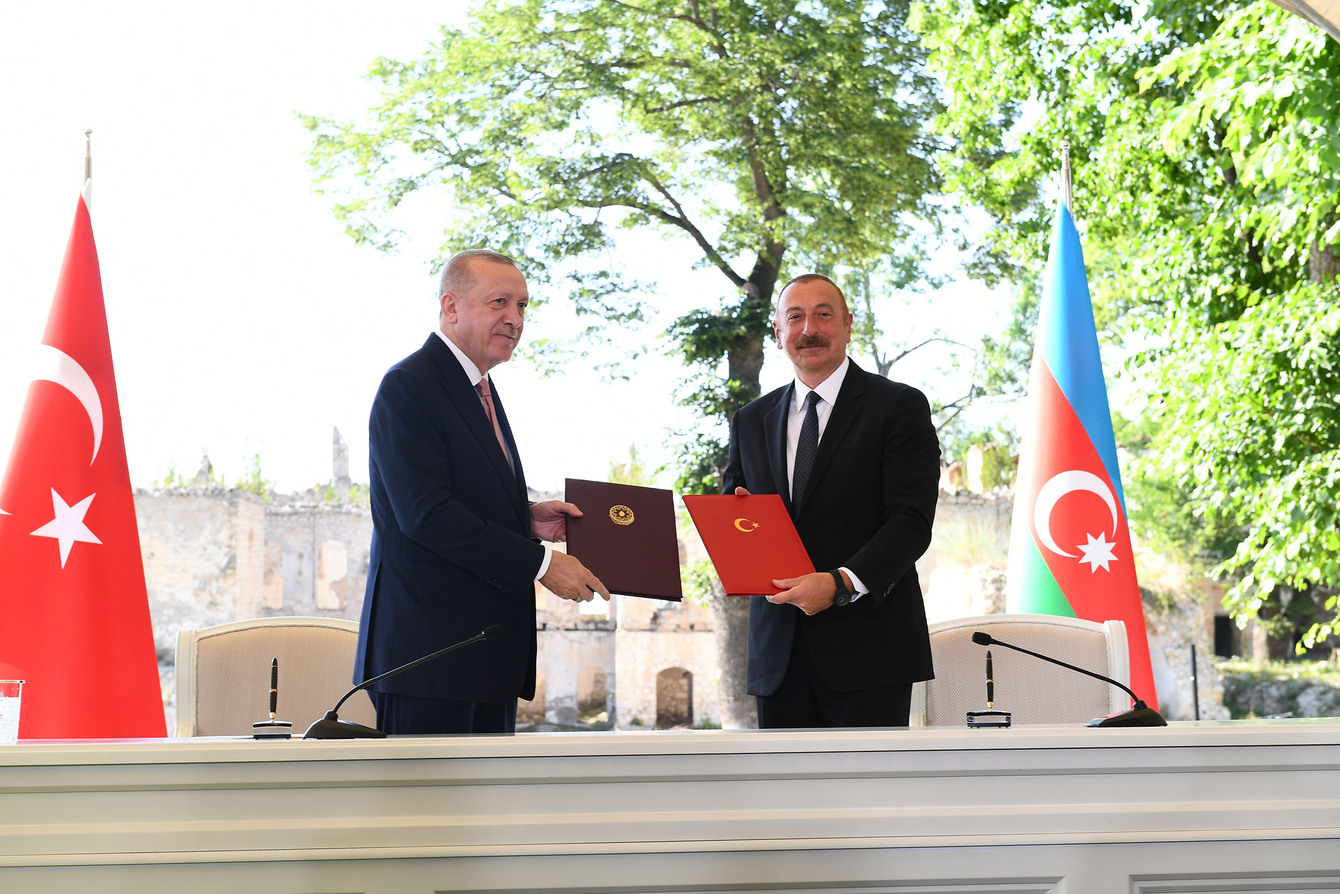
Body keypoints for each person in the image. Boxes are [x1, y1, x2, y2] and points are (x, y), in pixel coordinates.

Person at [355, 249, 610, 735]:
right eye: (499, 302)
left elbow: (458, 495)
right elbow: (426, 515)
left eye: (522, 307)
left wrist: (526, 515)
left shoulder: (480, 389)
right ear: (450, 307)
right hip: (429, 662)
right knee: (428, 813)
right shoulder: (409, 386)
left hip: (486, 659)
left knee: (488, 813)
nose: (514, 319)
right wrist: (540, 562)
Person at [721, 273, 940, 728]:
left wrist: (840, 583)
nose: (809, 329)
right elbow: (731, 511)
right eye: (795, 318)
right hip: (777, 655)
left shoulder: (899, 406)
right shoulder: (750, 419)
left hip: (870, 651)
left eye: (823, 314)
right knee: (785, 797)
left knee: (870, 797)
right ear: (779, 334)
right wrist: (738, 521)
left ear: (847, 324)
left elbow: (911, 521)